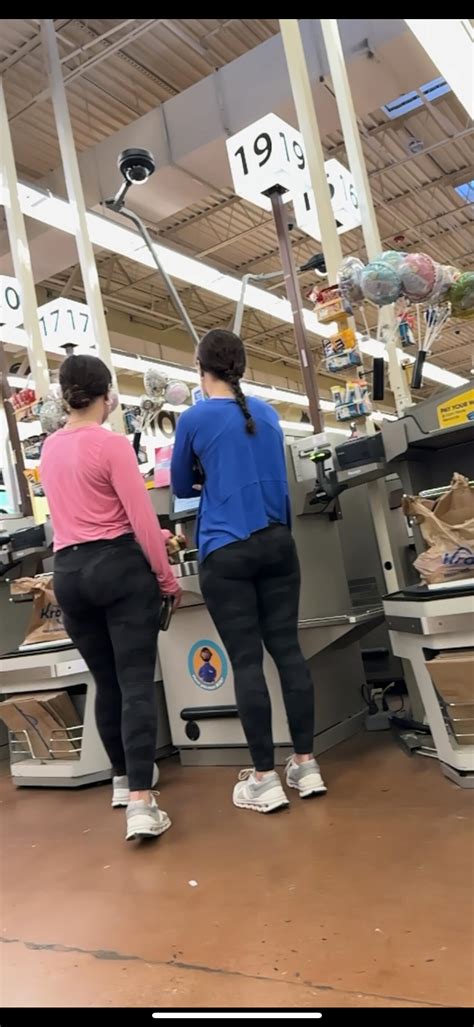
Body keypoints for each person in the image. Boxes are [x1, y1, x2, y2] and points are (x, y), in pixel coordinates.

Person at [171, 329, 326, 814]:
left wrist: (207, 473)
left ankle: (264, 776)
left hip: (227, 548)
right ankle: (307, 763)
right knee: (288, 652)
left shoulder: (193, 418)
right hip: (279, 543)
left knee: (245, 661)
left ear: (202, 368)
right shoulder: (268, 414)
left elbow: (180, 485)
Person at [40, 354, 181, 842]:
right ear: (108, 396)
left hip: (70, 573)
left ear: (64, 395)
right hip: (119, 571)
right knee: (137, 681)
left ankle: (124, 782)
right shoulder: (113, 444)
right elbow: (142, 520)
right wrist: (166, 578)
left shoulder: (49, 451)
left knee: (106, 682)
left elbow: (67, 519)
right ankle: (143, 805)